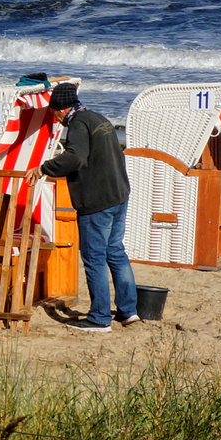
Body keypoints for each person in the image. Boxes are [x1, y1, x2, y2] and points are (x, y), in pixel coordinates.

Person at [26, 82, 139, 332]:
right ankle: (129, 311)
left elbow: (74, 158)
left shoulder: (77, 125)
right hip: (119, 195)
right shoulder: (98, 117)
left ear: (59, 110)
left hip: (97, 201)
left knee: (94, 258)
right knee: (116, 253)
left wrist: (44, 168)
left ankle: (99, 318)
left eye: (53, 113)